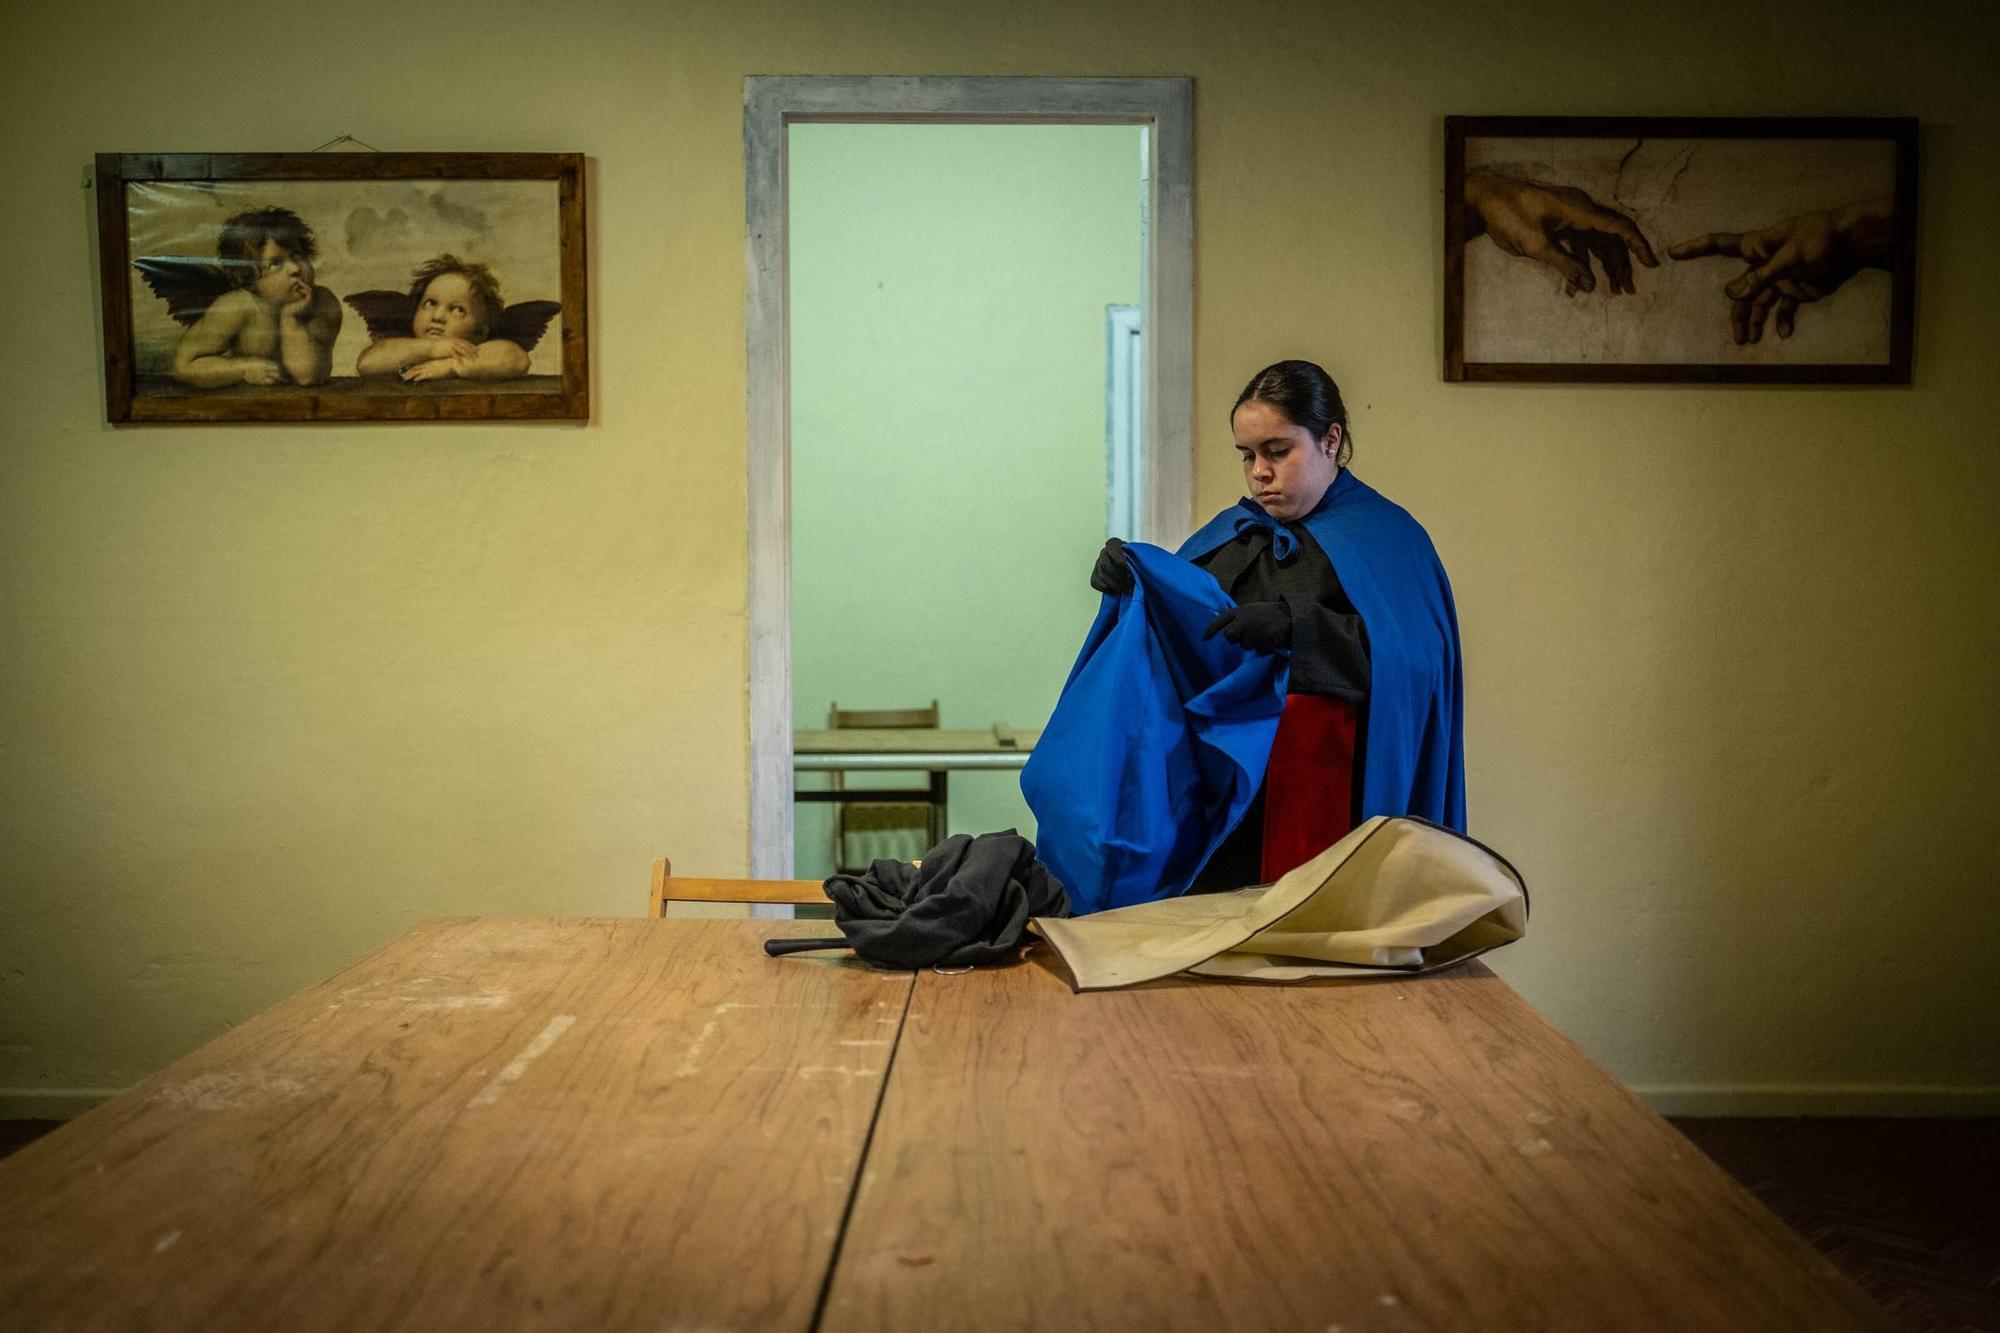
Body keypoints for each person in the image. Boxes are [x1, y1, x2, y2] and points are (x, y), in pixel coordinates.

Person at [1089, 359, 1466, 890]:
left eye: (1277, 451)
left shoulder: (1389, 539)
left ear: (1330, 440)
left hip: (1332, 808)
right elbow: (1182, 635)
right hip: (1225, 809)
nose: (1259, 471)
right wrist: (1135, 580)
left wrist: (1299, 629)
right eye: (1248, 456)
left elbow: (1416, 664)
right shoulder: (1233, 534)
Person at [168, 207, 342, 388]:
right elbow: (183, 367)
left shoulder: (323, 302)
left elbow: (308, 377)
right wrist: (243, 368)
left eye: (297, 255)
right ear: (248, 278)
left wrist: (292, 319)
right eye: (275, 263)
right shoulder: (236, 307)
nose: (295, 268)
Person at [353, 255, 533, 382]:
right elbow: (367, 363)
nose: (437, 317)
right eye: (430, 303)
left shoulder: (475, 352)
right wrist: (432, 349)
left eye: (457, 310)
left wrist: (451, 367)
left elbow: (517, 359)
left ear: (481, 330)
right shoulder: (403, 349)